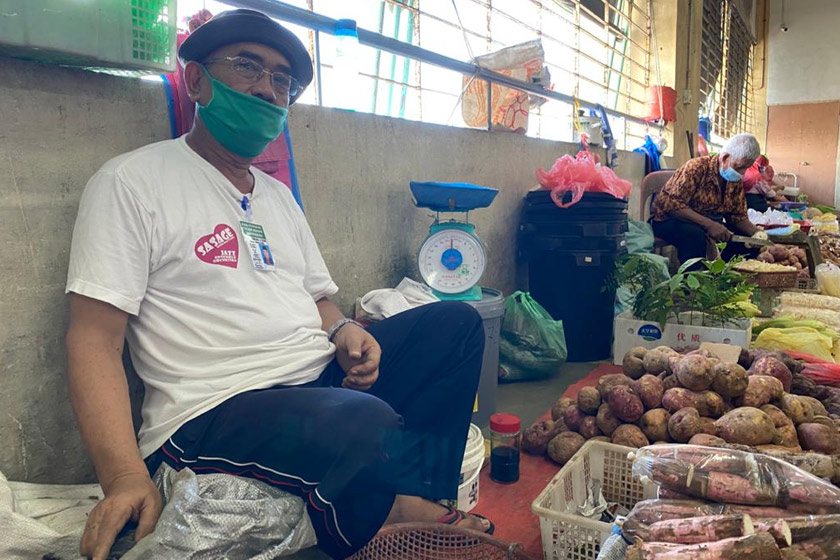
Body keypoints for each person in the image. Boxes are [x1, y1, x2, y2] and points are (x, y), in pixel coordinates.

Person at [64, 10, 491, 560]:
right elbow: (94, 339)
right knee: (365, 424)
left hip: (314, 380)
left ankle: (412, 500)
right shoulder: (131, 182)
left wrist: (341, 329)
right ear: (197, 81)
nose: (267, 88)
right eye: (248, 67)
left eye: (282, 80)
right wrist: (123, 475)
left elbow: (317, 296)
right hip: (217, 408)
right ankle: (367, 520)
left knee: (455, 326)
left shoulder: (276, 197)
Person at [651, 133, 768, 263]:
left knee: (746, 241)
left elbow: (737, 216)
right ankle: (692, 280)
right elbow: (672, 205)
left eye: (746, 168)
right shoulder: (696, 167)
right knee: (694, 235)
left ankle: (725, 276)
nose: (742, 173)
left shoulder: (734, 179)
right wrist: (710, 225)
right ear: (725, 158)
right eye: (740, 167)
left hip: (705, 223)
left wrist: (756, 233)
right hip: (669, 220)